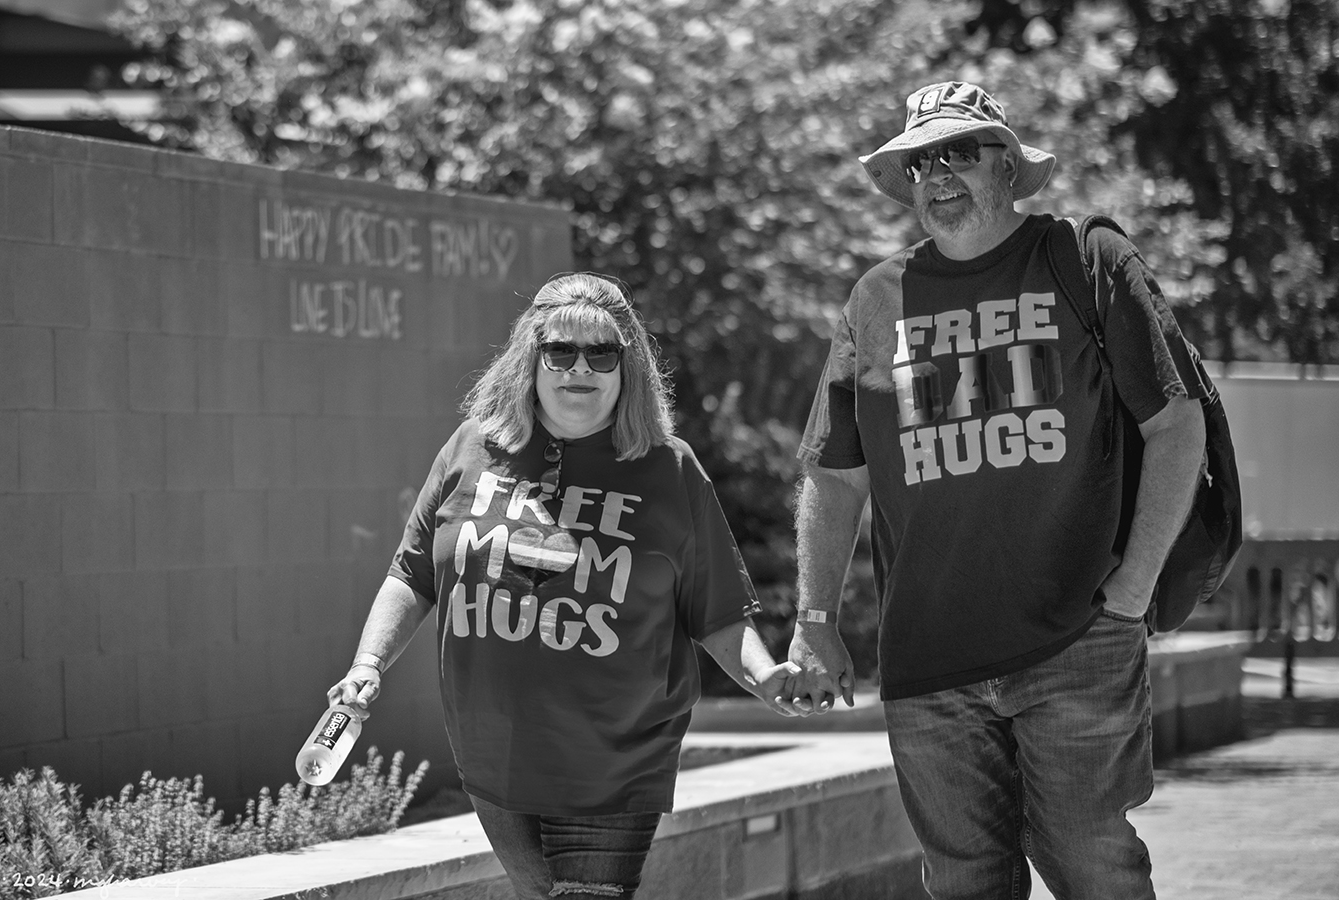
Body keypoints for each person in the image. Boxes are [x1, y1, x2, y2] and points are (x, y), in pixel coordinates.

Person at [789, 81, 1208, 899]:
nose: (937, 174)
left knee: (1093, 868)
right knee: (964, 884)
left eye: (958, 152)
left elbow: (1175, 424)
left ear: (1008, 166)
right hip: (928, 661)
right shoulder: (875, 299)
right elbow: (834, 475)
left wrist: (1133, 590)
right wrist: (815, 622)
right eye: (920, 162)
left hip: (1076, 639)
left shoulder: (1088, 260)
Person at [324, 272, 803, 900]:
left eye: (601, 352)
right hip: (492, 753)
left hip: (613, 761)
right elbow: (412, 574)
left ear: (627, 366)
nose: (580, 367)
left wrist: (764, 677)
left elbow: (715, 610)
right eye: (560, 350)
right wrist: (367, 664)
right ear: (531, 357)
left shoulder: (669, 467)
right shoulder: (471, 448)